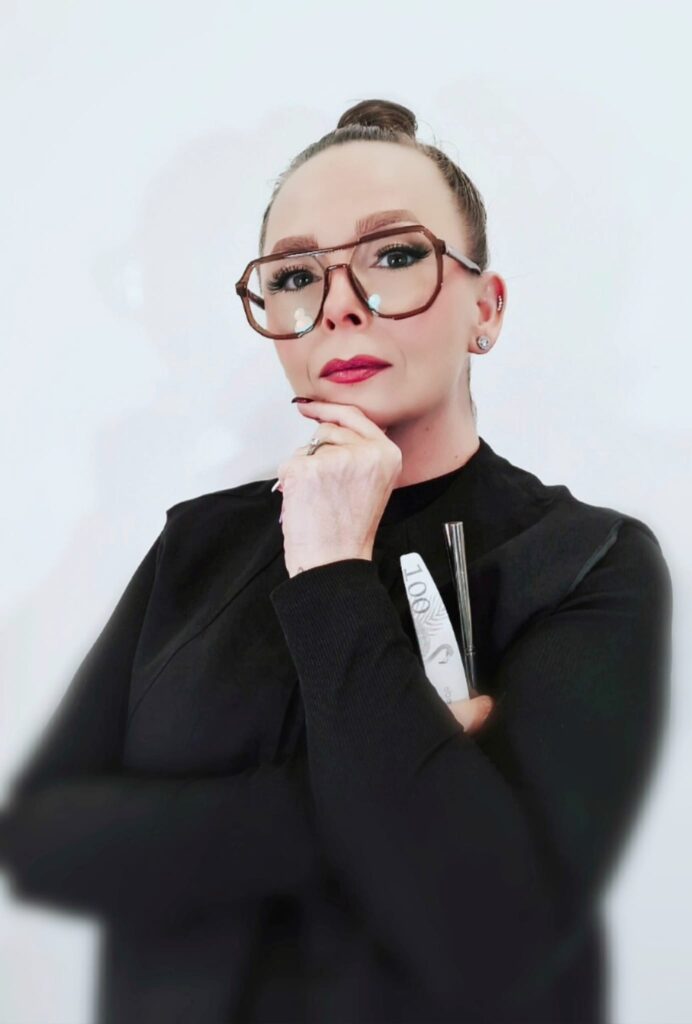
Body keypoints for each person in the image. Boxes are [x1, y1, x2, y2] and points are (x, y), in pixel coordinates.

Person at [0, 98, 673, 1024]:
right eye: (294, 275)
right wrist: (348, 801)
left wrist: (329, 570)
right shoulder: (199, 543)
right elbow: (43, 839)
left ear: (486, 308)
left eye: (394, 256)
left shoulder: (586, 561)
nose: (340, 305)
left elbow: (485, 940)